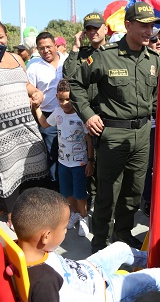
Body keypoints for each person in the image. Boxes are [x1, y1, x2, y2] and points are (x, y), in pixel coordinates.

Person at [11, 187, 160, 302]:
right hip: (105, 292)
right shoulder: (43, 283)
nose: (66, 231)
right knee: (156, 277)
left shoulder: (27, 248)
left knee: (120, 248)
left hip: (90, 269)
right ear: (45, 236)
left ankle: (150, 258)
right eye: (64, 228)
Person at [69, 1, 160, 253]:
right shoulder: (104, 56)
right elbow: (75, 85)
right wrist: (88, 114)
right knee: (108, 193)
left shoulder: (153, 59)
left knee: (133, 191)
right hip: (113, 135)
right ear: (128, 25)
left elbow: (156, 99)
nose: (148, 30)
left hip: (143, 134)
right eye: (143, 25)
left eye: (151, 26)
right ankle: (100, 244)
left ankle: (123, 235)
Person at [0, 18, 48, 222]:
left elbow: (25, 84)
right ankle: (14, 217)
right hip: (0, 129)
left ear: (6, 37)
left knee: (36, 164)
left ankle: (34, 211)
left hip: (26, 124)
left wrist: (36, 92)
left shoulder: (17, 58)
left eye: (0, 36)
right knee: (9, 172)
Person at [32, 79, 94, 237]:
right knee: (67, 193)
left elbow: (89, 139)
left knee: (80, 194)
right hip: (63, 162)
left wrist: (90, 161)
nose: (65, 103)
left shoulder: (81, 115)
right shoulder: (57, 112)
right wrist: (37, 109)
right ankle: (75, 214)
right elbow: (45, 124)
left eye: (69, 99)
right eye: (61, 99)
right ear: (56, 97)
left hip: (79, 162)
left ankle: (84, 217)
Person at [63, 12, 108, 210]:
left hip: (107, 114)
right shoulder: (82, 54)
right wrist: (75, 47)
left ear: (105, 28)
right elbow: (68, 76)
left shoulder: (113, 52)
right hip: (84, 113)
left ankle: (102, 202)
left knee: (103, 162)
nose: (92, 32)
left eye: (96, 27)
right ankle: (90, 201)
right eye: (88, 28)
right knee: (86, 160)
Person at [27, 32, 64, 191]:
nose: (46, 51)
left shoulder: (68, 60)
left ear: (56, 46)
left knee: (74, 154)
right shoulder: (34, 67)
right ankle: (57, 193)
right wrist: (36, 96)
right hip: (47, 118)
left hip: (69, 114)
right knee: (53, 156)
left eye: (49, 47)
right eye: (41, 48)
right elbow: (28, 89)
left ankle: (74, 193)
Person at [142, 25, 160, 217]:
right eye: (153, 39)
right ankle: (149, 200)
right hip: (148, 125)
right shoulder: (142, 62)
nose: (158, 42)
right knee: (149, 165)